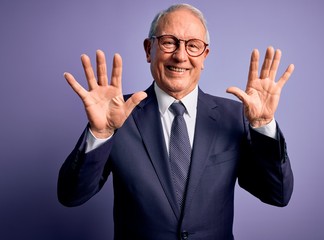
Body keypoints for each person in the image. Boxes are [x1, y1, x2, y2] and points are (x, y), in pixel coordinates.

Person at [58, 3, 294, 240]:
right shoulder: (117, 114)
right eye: (169, 42)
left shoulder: (236, 117)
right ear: (149, 49)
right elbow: (71, 195)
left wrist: (264, 124)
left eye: (193, 46)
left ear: (204, 56)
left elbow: (278, 194)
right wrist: (101, 132)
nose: (180, 56)